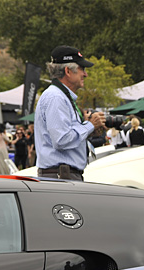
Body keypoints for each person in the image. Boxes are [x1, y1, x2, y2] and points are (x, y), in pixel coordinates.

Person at [33, 45, 105, 180]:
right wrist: (90, 125)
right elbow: (61, 140)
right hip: (61, 176)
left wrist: (89, 131)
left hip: (62, 175)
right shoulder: (56, 97)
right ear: (68, 71)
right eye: (82, 69)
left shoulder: (60, 96)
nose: (85, 74)